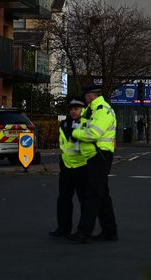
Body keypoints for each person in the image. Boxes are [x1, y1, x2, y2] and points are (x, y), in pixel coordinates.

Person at [68, 83, 118, 243]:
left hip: (99, 156)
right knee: (102, 195)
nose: (84, 98)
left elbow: (93, 134)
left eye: (85, 95)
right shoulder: (94, 110)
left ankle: (84, 232)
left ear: (91, 95)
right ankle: (109, 231)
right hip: (94, 156)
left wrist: (74, 133)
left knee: (92, 195)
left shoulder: (102, 110)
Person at [49, 99, 88, 238]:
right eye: (71, 109)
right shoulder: (65, 123)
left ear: (83, 109)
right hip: (66, 166)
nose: (73, 111)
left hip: (82, 166)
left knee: (84, 200)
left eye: (76, 108)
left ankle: (83, 230)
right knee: (64, 199)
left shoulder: (87, 124)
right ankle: (63, 228)